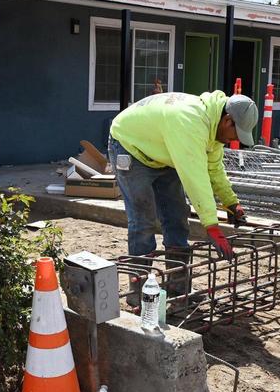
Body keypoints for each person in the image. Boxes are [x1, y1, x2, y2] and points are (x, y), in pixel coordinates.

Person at [108, 90, 257, 300]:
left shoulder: (213, 130)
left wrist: (231, 203)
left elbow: (213, 169)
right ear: (228, 120)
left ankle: (178, 287)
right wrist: (211, 225)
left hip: (164, 152)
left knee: (177, 219)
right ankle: (138, 290)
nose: (235, 141)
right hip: (131, 147)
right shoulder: (190, 122)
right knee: (143, 221)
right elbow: (196, 179)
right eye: (237, 134)